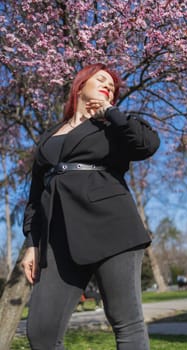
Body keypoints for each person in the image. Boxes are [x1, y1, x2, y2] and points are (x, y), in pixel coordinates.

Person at [21, 62, 160, 350]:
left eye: (112, 85)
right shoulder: (49, 135)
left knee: (126, 321)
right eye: (100, 79)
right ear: (80, 86)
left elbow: (147, 145)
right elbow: (36, 194)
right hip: (58, 237)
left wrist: (110, 112)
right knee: (41, 332)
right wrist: (31, 243)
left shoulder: (113, 125)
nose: (108, 84)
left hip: (112, 228)